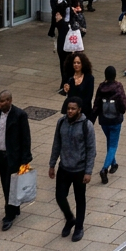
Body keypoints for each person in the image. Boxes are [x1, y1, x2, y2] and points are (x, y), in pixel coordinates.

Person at [0, 89, 32, 231]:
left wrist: (25, 159)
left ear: (9, 101)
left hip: (14, 157)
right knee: (6, 184)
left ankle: (9, 215)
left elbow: (25, 138)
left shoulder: (20, 115)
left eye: (2, 102)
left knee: (11, 185)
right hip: (0, 155)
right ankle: (14, 207)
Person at [48, 96, 95, 242]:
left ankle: (79, 227)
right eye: (68, 108)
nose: (70, 111)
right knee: (60, 196)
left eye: (73, 109)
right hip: (64, 167)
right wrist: (52, 164)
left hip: (79, 170)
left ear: (79, 110)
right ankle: (70, 218)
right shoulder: (61, 122)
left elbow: (91, 149)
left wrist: (88, 171)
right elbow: (57, 143)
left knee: (80, 199)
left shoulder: (86, 126)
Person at [93, 65, 126, 184]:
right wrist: (121, 111)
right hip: (115, 120)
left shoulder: (101, 87)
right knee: (113, 145)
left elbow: (97, 103)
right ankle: (104, 169)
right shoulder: (118, 87)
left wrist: (94, 115)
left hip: (104, 120)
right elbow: (124, 103)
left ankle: (114, 164)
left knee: (109, 141)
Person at [54, 0, 86, 91]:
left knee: (65, 64)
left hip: (65, 44)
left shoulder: (62, 17)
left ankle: (66, 84)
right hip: (68, 44)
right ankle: (66, 83)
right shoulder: (69, 15)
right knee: (68, 64)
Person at [61, 52, 94, 117]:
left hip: (84, 112)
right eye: (74, 63)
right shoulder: (69, 77)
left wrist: (79, 109)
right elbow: (66, 94)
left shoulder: (89, 78)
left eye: (78, 63)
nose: (76, 65)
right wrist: (65, 89)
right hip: (71, 112)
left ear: (83, 64)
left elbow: (89, 97)